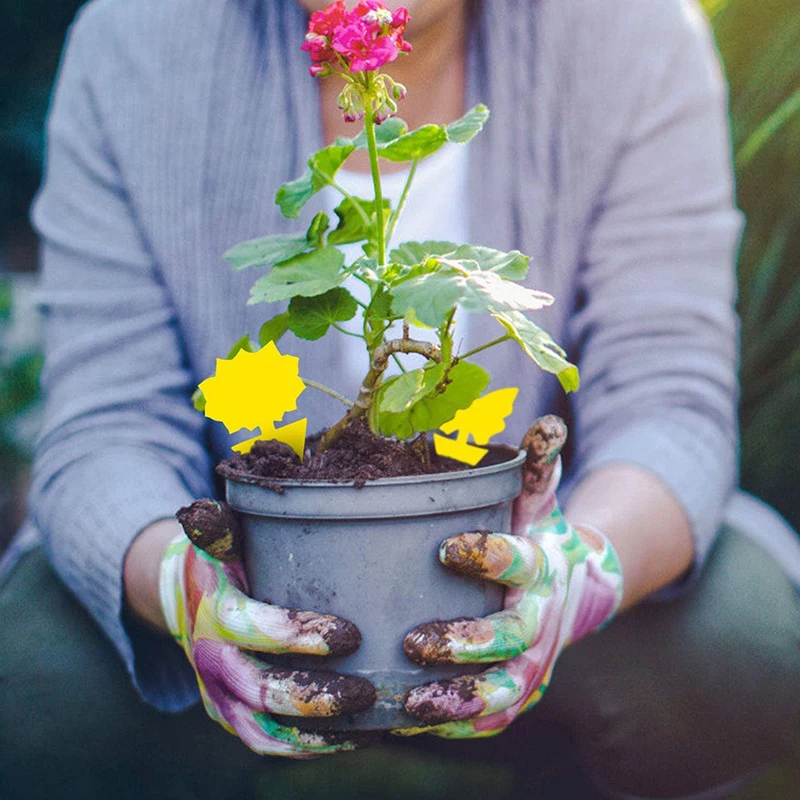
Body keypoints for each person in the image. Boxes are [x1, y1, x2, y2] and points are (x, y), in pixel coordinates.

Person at [1, 0, 799, 797]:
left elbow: (669, 398)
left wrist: (571, 576)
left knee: (742, 640)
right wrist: (181, 590)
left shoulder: (635, 33)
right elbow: (107, 422)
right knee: (36, 678)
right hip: (245, 570)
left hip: (525, 560)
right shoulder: (133, 42)